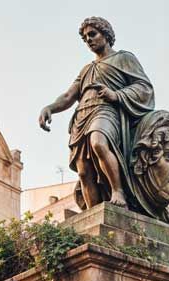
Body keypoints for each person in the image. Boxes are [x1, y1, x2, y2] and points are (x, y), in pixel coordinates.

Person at [38, 16, 154, 212]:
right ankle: (93, 212)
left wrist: (116, 95)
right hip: (82, 117)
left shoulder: (124, 58)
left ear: (106, 35)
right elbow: (68, 96)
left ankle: (118, 192)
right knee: (83, 170)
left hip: (106, 110)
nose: (89, 40)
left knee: (98, 142)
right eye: (85, 38)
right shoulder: (86, 70)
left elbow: (144, 87)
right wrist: (49, 108)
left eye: (92, 34)